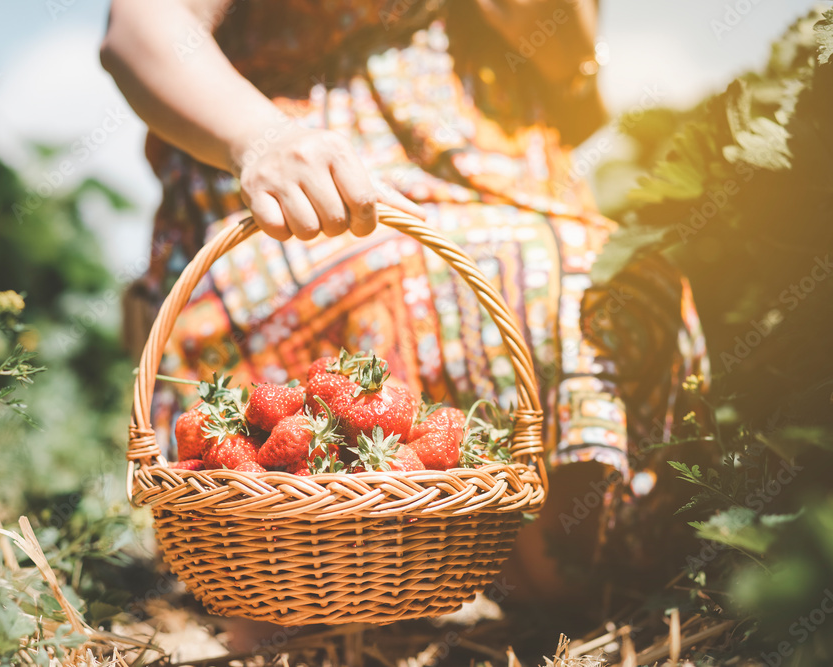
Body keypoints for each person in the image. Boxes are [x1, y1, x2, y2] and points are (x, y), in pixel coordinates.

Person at [101, 0, 707, 607]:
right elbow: (140, 29)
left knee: (613, 274)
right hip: (305, 190)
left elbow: (566, 60)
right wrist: (261, 140)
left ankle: (551, 572)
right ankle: (301, 576)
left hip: (500, 172)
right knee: (490, 266)